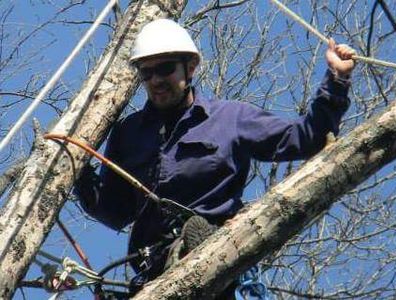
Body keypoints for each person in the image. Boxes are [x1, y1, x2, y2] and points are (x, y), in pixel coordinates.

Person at [76, 18, 356, 298]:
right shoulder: (129, 133)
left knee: (199, 236)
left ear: (191, 67)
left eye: (165, 69)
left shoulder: (230, 119)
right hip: (153, 276)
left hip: (213, 260)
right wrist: (77, 169)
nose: (156, 80)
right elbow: (114, 212)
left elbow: (307, 138)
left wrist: (337, 79)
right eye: (146, 73)